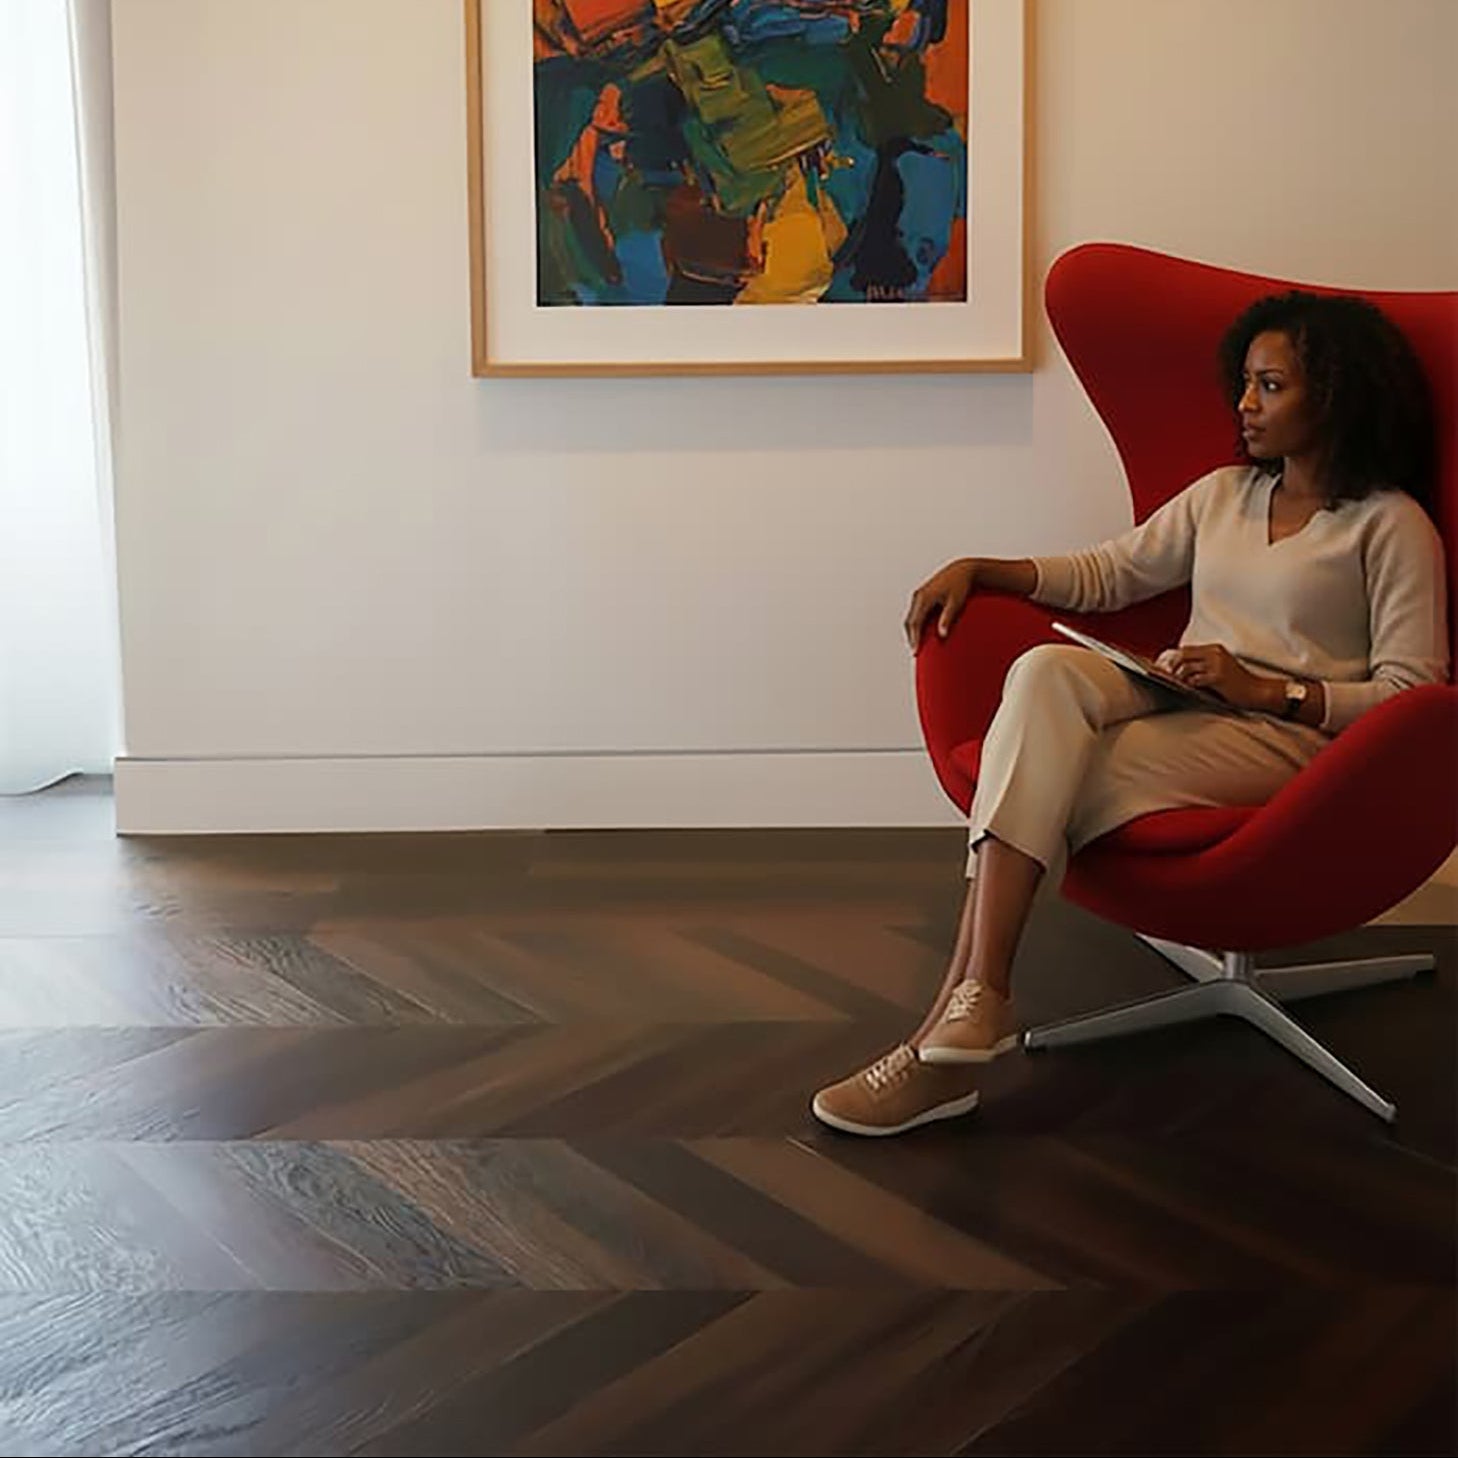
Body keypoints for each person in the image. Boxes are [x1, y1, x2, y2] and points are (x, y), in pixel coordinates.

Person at [812, 290, 1450, 1137]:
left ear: (1333, 396)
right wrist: (983, 567)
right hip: (1183, 697)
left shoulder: (1392, 527)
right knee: (1044, 670)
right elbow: (1111, 574)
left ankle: (944, 1040)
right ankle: (976, 1000)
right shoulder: (1224, 494)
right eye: (1246, 383)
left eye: (1270, 386)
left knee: (1055, 772)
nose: (1244, 405)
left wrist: (1269, 691)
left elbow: (1416, 697)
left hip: (1295, 745)